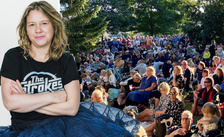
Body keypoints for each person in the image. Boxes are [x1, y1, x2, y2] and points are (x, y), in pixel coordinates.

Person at [0, 1, 139, 136]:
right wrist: (55, 96)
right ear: (25, 29)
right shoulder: (13, 57)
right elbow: (10, 103)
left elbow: (71, 108)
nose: (38, 29)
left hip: (67, 127)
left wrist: (26, 100)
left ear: (54, 26)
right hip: (22, 130)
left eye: (44, 23)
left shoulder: (65, 60)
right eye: (31, 24)